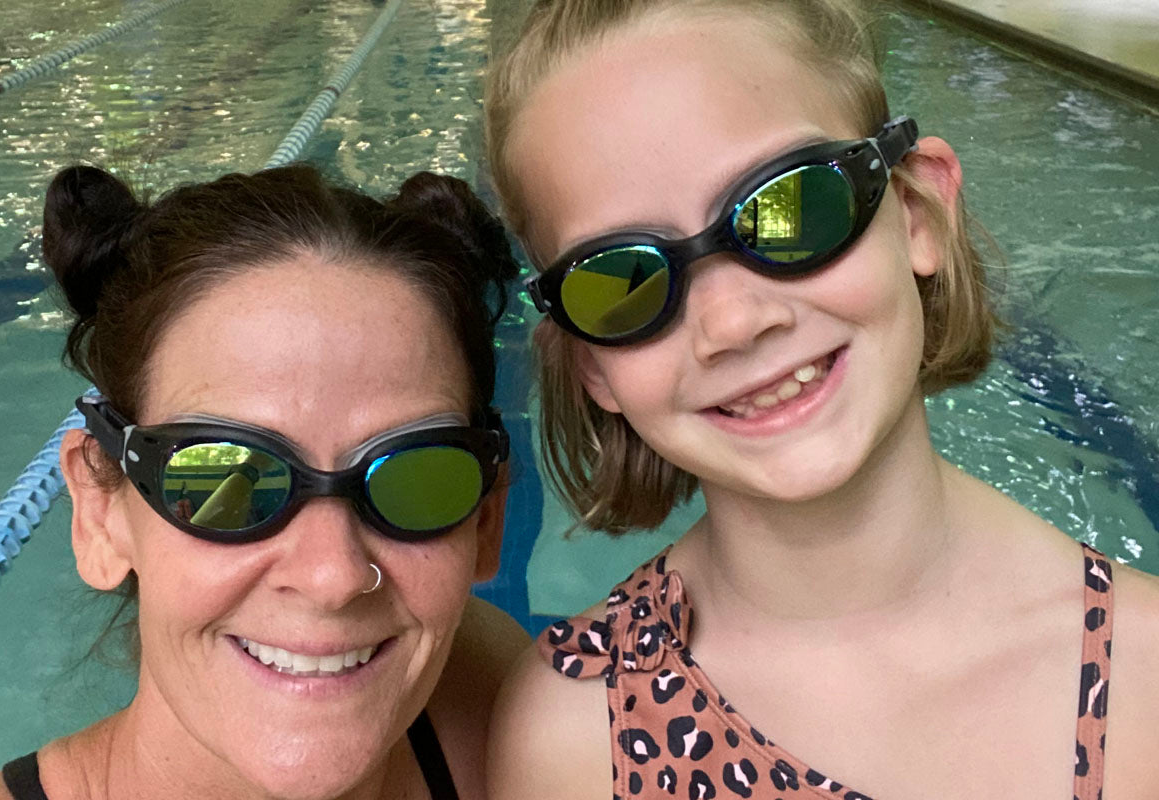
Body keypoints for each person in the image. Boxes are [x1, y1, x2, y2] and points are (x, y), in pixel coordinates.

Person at [482, 1, 1159, 798]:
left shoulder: (1147, 675)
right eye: (624, 281)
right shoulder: (574, 737)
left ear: (915, 212)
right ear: (592, 367)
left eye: (791, 206)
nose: (733, 322)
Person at [0, 162, 529, 800]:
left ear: (487, 518)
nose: (333, 579)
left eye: (419, 474)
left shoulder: (495, 705)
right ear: (99, 512)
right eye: (225, 475)